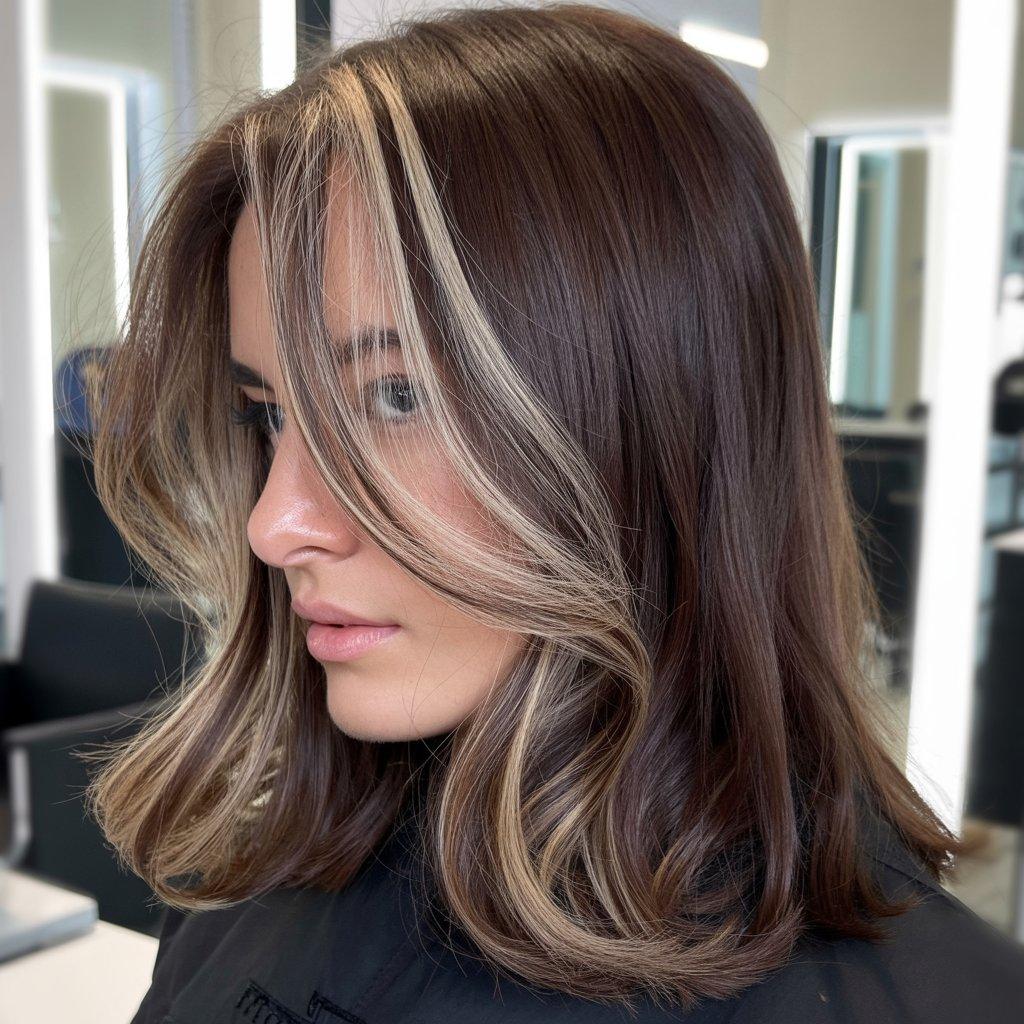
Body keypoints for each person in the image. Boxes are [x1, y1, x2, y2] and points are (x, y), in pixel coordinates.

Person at [79, 3, 1024, 1021]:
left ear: (655, 418)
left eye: (395, 396)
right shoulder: (253, 883)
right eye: (268, 412)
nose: (275, 525)